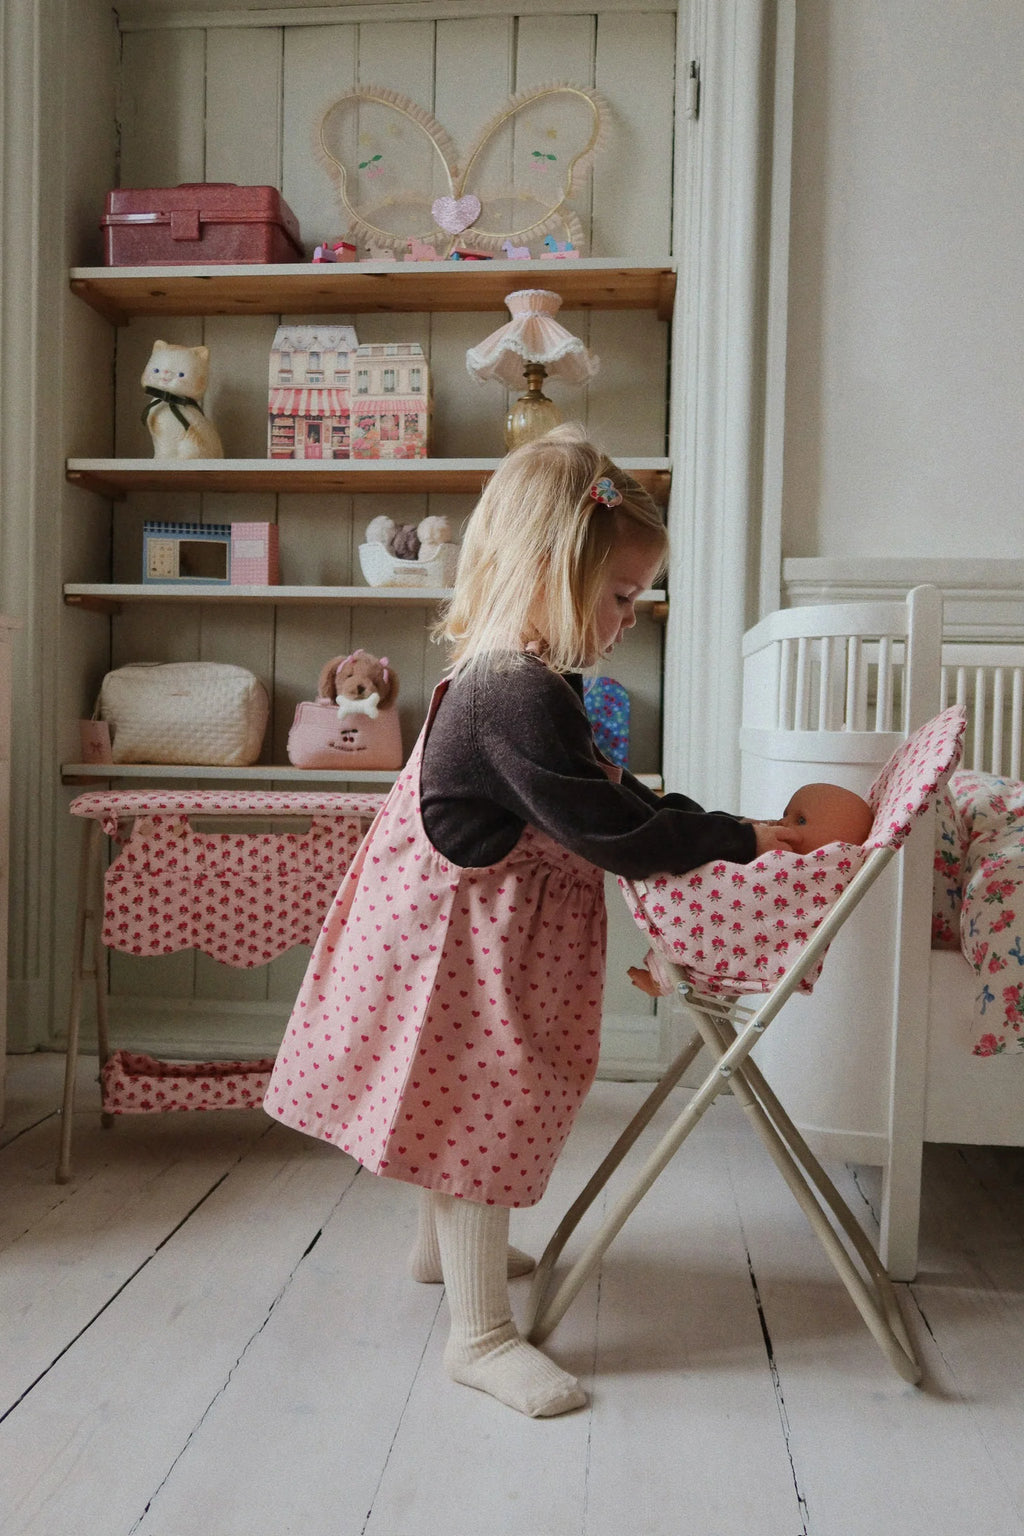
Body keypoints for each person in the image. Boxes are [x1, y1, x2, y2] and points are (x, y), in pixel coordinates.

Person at [264, 425, 796, 1419]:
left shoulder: (529, 683)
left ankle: (440, 1250)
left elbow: (613, 792)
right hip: (456, 959)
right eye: (622, 595)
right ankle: (479, 1338)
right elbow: (611, 831)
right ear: (553, 568)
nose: (631, 617)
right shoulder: (509, 690)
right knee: (478, 1116)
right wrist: (734, 842)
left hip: (475, 946)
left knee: (464, 1110)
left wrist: (716, 825)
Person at [627, 780, 875, 996]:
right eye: (785, 813)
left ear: (832, 851)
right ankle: (658, 977)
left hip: (708, 935)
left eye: (799, 820)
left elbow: (728, 914)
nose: (783, 822)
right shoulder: (778, 868)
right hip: (710, 928)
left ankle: (659, 979)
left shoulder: (800, 879)